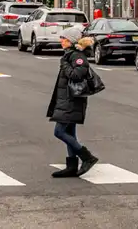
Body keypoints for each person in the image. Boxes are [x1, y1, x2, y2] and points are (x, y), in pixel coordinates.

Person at [47, 28, 99, 178]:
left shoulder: (77, 56)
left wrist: (64, 64)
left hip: (72, 101)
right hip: (68, 99)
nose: (60, 40)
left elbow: (76, 75)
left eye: (63, 38)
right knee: (70, 132)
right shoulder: (70, 55)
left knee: (59, 132)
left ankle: (87, 157)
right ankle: (71, 166)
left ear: (70, 40)